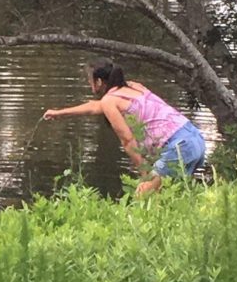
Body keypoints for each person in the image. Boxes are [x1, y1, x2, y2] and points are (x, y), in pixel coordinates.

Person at [43, 61, 206, 195]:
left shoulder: (110, 101)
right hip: (195, 139)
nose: (89, 85)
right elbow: (94, 107)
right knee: (174, 194)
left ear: (99, 82)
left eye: (89, 81)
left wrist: (145, 174)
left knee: (144, 195)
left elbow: (128, 141)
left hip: (179, 146)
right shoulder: (134, 87)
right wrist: (59, 113)